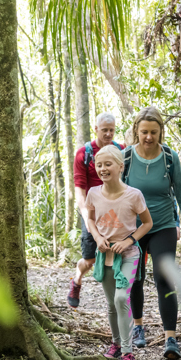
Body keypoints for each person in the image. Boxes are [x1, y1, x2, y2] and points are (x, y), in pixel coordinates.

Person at [125, 107, 181, 359]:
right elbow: (114, 194)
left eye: (154, 132)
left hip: (164, 225)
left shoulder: (169, 157)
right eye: (144, 132)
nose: (148, 137)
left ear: (160, 132)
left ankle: (170, 339)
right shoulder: (126, 158)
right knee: (135, 278)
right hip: (133, 228)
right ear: (136, 131)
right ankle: (139, 327)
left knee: (164, 278)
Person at [86, 145, 153, 360]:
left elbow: (147, 223)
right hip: (105, 255)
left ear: (120, 166)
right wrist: (97, 237)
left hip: (129, 254)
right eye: (99, 164)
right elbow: (90, 220)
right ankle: (115, 344)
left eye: (108, 164)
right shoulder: (93, 193)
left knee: (122, 297)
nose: (103, 169)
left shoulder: (134, 195)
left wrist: (129, 240)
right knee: (111, 304)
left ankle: (127, 353)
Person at [67, 112, 124, 308]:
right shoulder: (84, 154)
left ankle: (119, 299)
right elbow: (80, 191)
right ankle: (77, 279)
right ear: (96, 129)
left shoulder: (121, 150)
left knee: (119, 252)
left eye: (112, 130)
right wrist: (87, 219)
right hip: (91, 210)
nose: (108, 134)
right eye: (104, 130)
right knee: (90, 258)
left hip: (116, 210)